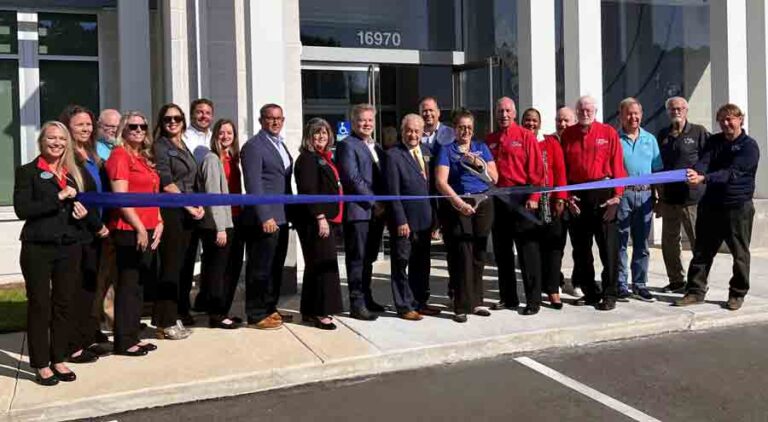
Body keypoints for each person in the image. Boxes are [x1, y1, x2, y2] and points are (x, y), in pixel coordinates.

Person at [14, 121, 101, 385]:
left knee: (64, 303)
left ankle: (59, 358)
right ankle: (41, 364)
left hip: (69, 247)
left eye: (62, 139)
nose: (57, 143)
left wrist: (84, 215)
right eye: (52, 138)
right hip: (38, 247)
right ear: (42, 141)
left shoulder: (71, 172)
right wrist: (59, 196)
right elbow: (22, 209)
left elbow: (79, 209)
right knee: (40, 304)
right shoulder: (28, 171)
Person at [676, 104, 760, 311]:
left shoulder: (749, 147)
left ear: (741, 119)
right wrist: (695, 173)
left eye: (730, 119)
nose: (726, 123)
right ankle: (695, 291)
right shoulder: (714, 141)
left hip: (738, 207)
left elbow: (732, 173)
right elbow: (704, 162)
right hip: (711, 205)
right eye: (722, 120)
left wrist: (703, 178)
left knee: (739, 253)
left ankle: (737, 294)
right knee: (702, 251)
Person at [561, 95, 627, 311]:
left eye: (589, 109)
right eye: (581, 109)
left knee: (608, 249)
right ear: (576, 112)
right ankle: (590, 292)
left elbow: (618, 167)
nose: (585, 113)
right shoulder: (568, 135)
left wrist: (616, 198)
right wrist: (567, 196)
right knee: (581, 250)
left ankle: (610, 293)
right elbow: (563, 170)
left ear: (595, 111)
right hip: (578, 196)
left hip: (603, 194)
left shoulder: (608, 132)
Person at [106, 111, 164, 355]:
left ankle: (132, 335)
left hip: (150, 227)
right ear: (123, 130)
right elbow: (121, 198)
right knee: (128, 285)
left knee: (139, 285)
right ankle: (123, 340)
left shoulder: (143, 157)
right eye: (133, 127)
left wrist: (159, 220)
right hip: (129, 229)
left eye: (142, 126)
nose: (139, 130)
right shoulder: (119, 156)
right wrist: (140, 227)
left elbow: (152, 193)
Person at [58, 105, 112, 364]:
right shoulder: (66, 157)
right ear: (68, 127)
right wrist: (96, 225)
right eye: (80, 124)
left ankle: (88, 334)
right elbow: (76, 199)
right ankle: (72, 344)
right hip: (79, 231)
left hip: (96, 231)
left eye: (89, 124)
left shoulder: (91, 153)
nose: (86, 128)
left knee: (91, 286)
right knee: (76, 289)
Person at [435, 109, 498, 323]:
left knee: (479, 252)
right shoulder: (447, 150)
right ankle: (460, 304)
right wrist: (459, 203)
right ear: (455, 128)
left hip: (483, 202)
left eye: (469, 127)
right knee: (462, 253)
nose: (466, 131)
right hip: (460, 202)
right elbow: (441, 182)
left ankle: (477, 301)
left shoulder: (481, 148)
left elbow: (494, 178)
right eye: (462, 127)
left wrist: (480, 165)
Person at [486, 98, 544, 314]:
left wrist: (534, 198)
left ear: (514, 113)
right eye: (500, 110)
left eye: (508, 110)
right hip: (498, 201)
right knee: (502, 253)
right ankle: (508, 297)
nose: (504, 114)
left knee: (528, 252)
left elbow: (537, 171)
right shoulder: (490, 139)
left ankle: (533, 300)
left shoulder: (526, 136)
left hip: (522, 201)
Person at [241, 103, 293, 330]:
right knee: (260, 267)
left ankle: (270, 307)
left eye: (279, 118)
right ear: (261, 120)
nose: (275, 122)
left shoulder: (281, 145)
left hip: (282, 216)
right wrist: (265, 216)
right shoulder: (253, 146)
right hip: (265, 218)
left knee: (275, 266)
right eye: (270, 118)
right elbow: (253, 185)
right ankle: (255, 313)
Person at [153, 103, 203, 337]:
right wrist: (188, 205)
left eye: (176, 119)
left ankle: (177, 314)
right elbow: (166, 181)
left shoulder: (183, 145)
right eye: (167, 119)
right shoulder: (160, 146)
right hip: (172, 211)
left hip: (189, 212)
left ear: (183, 122)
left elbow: (193, 180)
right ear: (161, 124)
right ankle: (165, 322)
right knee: (170, 268)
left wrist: (199, 205)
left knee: (184, 268)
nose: (172, 122)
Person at [385, 114, 440, 321]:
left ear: (422, 132)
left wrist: (436, 220)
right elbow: (393, 192)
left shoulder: (427, 152)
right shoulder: (393, 155)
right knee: (401, 264)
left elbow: (432, 189)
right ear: (402, 131)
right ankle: (404, 305)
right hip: (405, 223)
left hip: (425, 221)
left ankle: (420, 302)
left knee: (422, 264)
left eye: (417, 131)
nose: (413, 134)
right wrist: (400, 221)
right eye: (409, 130)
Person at [336, 103, 387, 321]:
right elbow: (353, 178)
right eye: (361, 120)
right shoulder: (347, 145)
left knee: (369, 258)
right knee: (357, 259)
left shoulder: (375, 146)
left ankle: (367, 297)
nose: (366, 124)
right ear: (354, 122)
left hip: (376, 214)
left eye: (369, 120)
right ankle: (357, 303)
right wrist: (374, 203)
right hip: (360, 212)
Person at [293, 118, 344, 330]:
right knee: (324, 266)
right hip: (317, 221)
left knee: (315, 266)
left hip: (328, 219)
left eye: (324, 132)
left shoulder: (324, 158)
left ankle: (309, 310)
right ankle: (322, 312)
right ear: (308, 136)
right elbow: (309, 191)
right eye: (316, 133)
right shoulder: (307, 159)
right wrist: (320, 217)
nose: (321, 136)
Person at [656, 97, 709, 293]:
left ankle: (698, 283)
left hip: (693, 198)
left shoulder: (699, 132)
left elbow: (709, 158)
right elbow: (658, 167)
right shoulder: (662, 135)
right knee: (669, 243)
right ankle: (676, 280)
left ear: (686, 110)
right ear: (668, 112)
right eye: (672, 109)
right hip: (669, 198)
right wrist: (658, 197)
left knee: (698, 241)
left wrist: (702, 177)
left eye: (679, 108)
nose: (675, 111)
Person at [197, 119, 242, 329]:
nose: (226, 136)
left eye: (229, 133)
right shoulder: (212, 159)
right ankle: (216, 314)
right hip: (219, 224)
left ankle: (224, 310)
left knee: (230, 270)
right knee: (218, 271)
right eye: (222, 132)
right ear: (215, 135)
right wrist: (220, 228)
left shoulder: (231, 159)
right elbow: (213, 195)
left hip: (233, 220)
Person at [616, 98, 662, 302]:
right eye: (628, 113)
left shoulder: (650, 139)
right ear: (621, 116)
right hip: (623, 195)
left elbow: (657, 169)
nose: (633, 117)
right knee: (620, 242)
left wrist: (658, 196)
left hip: (645, 195)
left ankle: (640, 284)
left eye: (636, 113)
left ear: (641, 115)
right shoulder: (614, 139)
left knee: (642, 243)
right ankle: (621, 284)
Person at [522, 108, 568, 310]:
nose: (531, 124)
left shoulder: (550, 142)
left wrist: (561, 198)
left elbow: (560, 171)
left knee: (553, 249)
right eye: (527, 120)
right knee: (532, 249)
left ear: (539, 123)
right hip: (526, 203)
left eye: (534, 121)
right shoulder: (519, 142)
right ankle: (535, 292)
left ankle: (553, 290)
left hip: (549, 202)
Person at [183, 98, 215, 315]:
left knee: (212, 255)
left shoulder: (215, 136)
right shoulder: (184, 137)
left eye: (207, 112)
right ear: (192, 114)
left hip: (214, 204)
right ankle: (182, 307)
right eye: (199, 112)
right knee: (187, 257)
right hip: (191, 204)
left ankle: (206, 300)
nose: (204, 116)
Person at [93, 108, 121, 342]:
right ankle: (98, 321)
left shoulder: (120, 149)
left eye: (116, 126)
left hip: (118, 220)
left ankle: (113, 318)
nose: (112, 130)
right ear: (98, 126)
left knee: (114, 274)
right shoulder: (94, 151)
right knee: (100, 274)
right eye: (108, 126)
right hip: (100, 221)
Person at [552, 106, 580, 297]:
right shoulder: (549, 141)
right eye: (559, 120)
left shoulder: (579, 140)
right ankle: (556, 281)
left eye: (566, 120)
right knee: (556, 245)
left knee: (580, 245)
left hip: (577, 201)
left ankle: (578, 282)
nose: (562, 124)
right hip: (557, 202)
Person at [419, 96, 454, 241]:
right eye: (424, 111)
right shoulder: (414, 133)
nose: (428, 114)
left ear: (438, 112)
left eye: (431, 110)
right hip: (424, 193)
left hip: (447, 192)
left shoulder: (451, 133)